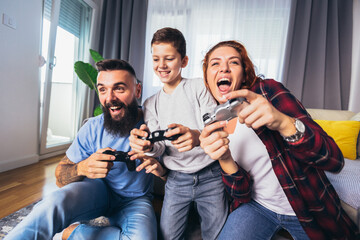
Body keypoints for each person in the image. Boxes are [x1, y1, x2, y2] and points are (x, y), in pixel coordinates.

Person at [199, 40, 359, 239]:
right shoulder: (216, 122)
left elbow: (333, 159)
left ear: (243, 72)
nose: (224, 67)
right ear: (207, 78)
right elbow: (241, 194)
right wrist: (224, 158)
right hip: (257, 207)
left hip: (306, 206)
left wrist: (283, 122)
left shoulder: (267, 91)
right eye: (215, 63)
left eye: (233, 62)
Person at [4, 59, 157, 240]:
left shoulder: (153, 123)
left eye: (119, 88)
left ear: (137, 90)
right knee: (55, 202)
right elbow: (61, 176)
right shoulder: (92, 127)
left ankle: (73, 233)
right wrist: (82, 167)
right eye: (102, 89)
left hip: (136, 200)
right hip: (97, 191)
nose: (110, 98)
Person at [129, 27, 228, 240]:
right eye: (156, 59)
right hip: (176, 180)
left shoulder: (198, 87)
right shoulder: (150, 103)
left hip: (210, 175)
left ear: (183, 61)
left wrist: (196, 136)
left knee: (216, 234)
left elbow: (215, 128)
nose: (161, 65)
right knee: (167, 236)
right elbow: (159, 147)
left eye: (169, 59)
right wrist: (148, 146)